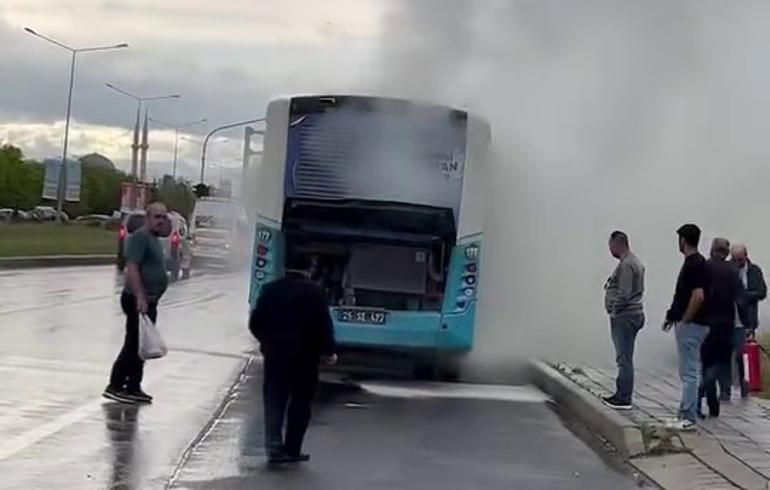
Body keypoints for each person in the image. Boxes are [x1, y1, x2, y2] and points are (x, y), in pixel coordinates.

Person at [249, 260, 337, 464]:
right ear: (309, 270)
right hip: (306, 356)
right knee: (301, 401)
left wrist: (266, 342)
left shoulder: (270, 290)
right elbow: (323, 326)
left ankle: (273, 442)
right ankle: (292, 448)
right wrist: (328, 350)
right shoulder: (315, 293)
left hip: (276, 355)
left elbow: (255, 323)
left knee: (274, 398)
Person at [104, 202, 170, 404]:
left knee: (141, 346)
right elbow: (132, 268)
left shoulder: (153, 238)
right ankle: (115, 386)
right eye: (157, 217)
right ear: (147, 218)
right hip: (136, 299)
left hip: (150, 300)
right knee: (132, 344)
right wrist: (140, 296)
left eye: (164, 217)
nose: (161, 221)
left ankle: (133, 386)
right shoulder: (140, 237)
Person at [663, 224, 711, 431]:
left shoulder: (694, 264)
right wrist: (671, 315)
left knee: (690, 372)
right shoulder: (697, 263)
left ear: (683, 240)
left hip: (693, 324)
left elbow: (698, 296)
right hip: (696, 323)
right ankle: (684, 413)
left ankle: (688, 416)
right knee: (688, 371)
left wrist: (685, 319)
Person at [700, 238, 744, 417]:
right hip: (726, 323)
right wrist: (746, 322)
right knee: (722, 360)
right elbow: (740, 299)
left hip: (705, 322)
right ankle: (720, 392)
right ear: (726, 253)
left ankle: (706, 393)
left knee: (705, 361)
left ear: (712, 250)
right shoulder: (732, 271)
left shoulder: (703, 268)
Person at [602, 231, 645, 410]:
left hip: (625, 316)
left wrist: (614, 310)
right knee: (625, 356)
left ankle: (623, 397)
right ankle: (621, 393)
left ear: (618, 244)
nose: (610, 249)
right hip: (631, 314)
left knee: (623, 358)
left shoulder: (627, 264)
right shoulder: (633, 262)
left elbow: (625, 293)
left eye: (611, 245)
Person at [723, 244, 767, 399]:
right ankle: (725, 389)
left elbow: (762, 292)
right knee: (726, 355)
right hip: (728, 320)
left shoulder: (754, 271)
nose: (737, 263)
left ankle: (744, 385)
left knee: (741, 355)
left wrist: (744, 296)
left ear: (746, 256)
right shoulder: (727, 270)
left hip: (745, 321)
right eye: (734, 260)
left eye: (740, 260)